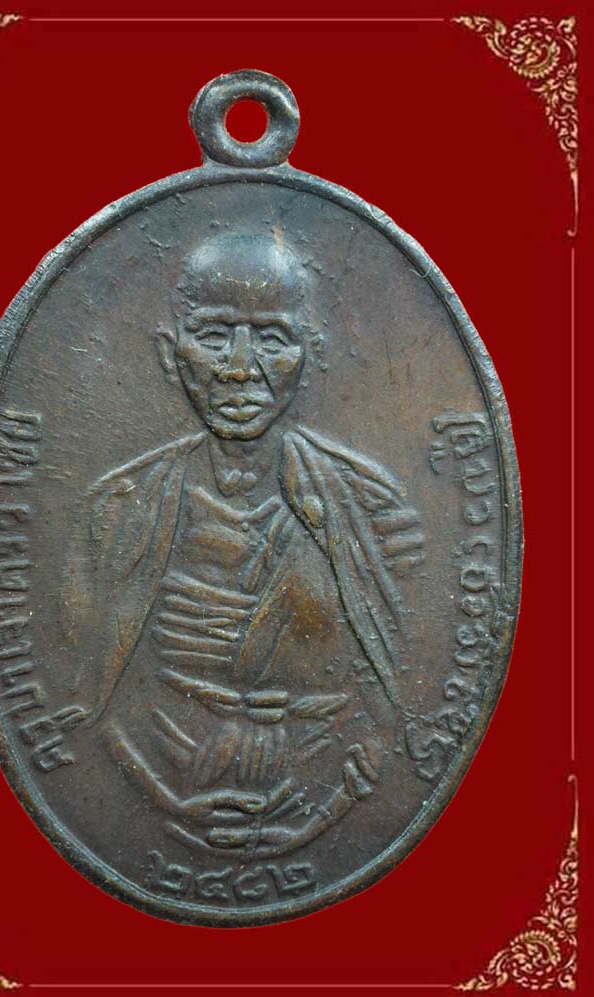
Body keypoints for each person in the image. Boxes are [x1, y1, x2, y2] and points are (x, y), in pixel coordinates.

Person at [62, 231, 424, 858]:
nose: (239, 366)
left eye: (273, 339)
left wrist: (318, 821)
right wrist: (167, 800)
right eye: (212, 335)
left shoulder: (372, 512)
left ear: (311, 354)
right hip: (161, 780)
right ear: (170, 353)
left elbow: (394, 705)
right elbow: (84, 704)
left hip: (321, 789)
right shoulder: (117, 512)